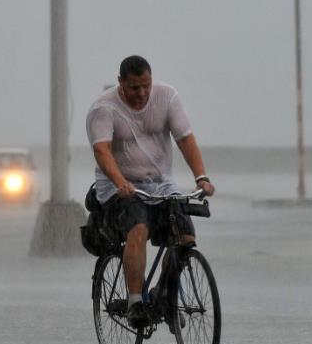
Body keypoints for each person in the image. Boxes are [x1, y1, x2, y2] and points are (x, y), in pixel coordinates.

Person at [85, 55, 215, 329]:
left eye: (146, 85)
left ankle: (164, 294)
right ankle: (135, 303)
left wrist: (201, 177)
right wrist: (120, 182)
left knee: (185, 236)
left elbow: (185, 139)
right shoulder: (104, 109)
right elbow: (102, 151)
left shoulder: (166, 97)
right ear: (121, 83)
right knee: (139, 226)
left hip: (160, 183)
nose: (141, 93)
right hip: (119, 188)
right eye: (134, 87)